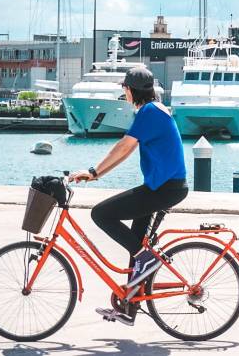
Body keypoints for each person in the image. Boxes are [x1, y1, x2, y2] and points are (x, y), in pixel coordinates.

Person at [69, 67, 188, 325]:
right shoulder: (154, 110)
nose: (125, 94)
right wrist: (96, 173)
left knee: (101, 214)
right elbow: (127, 149)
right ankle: (129, 307)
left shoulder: (149, 112)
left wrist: (94, 172)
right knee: (136, 245)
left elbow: (125, 146)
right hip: (164, 187)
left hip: (164, 189)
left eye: (125, 89)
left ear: (130, 90)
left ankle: (147, 259)